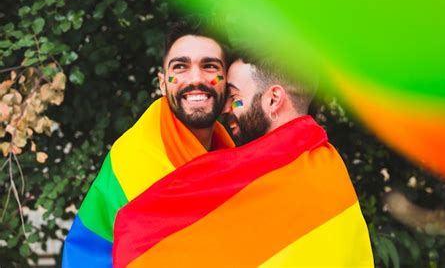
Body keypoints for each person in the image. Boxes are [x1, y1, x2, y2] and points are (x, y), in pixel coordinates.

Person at [112, 51, 374, 267]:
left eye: (236, 99)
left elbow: (142, 232)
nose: (226, 109)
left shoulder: (249, 176)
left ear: (273, 99)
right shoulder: (331, 169)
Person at [61, 22, 234, 268]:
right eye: (181, 67)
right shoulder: (133, 158)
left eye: (209, 66)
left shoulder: (233, 157)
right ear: (163, 84)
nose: (196, 78)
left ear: (226, 81)